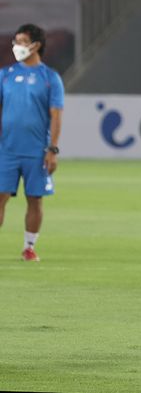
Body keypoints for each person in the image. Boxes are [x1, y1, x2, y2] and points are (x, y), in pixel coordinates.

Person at [0, 24, 64, 262]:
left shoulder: (49, 78)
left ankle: (29, 247)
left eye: (22, 41)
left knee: (35, 198)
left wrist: (52, 150)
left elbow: (56, 115)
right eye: (15, 40)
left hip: (36, 150)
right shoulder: (5, 75)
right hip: (7, 149)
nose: (17, 46)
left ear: (36, 45)